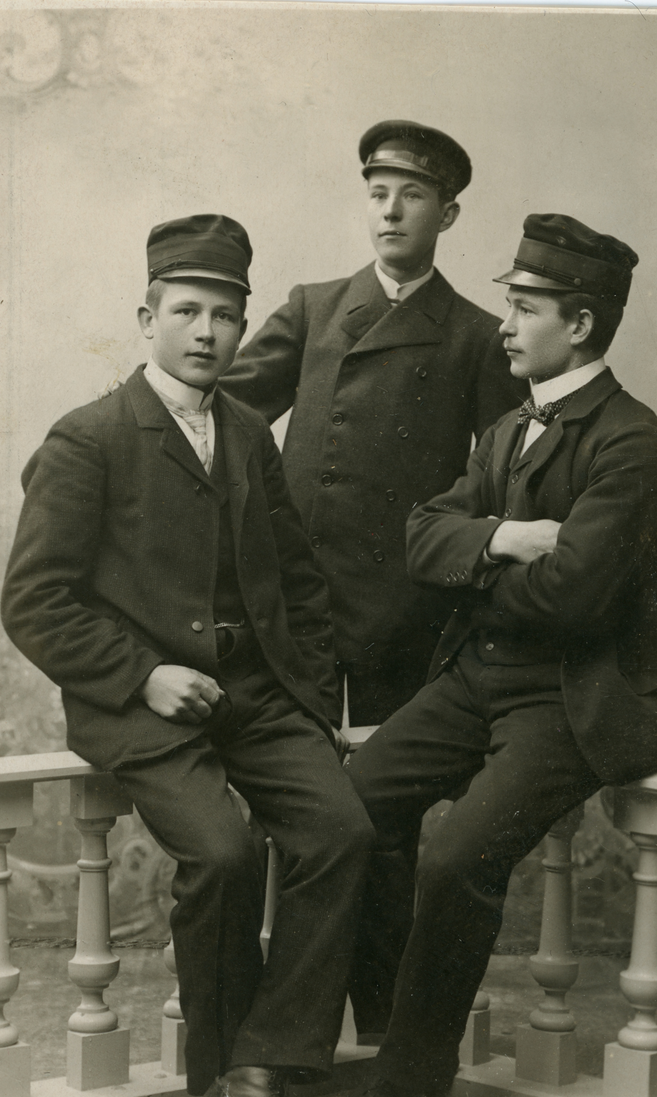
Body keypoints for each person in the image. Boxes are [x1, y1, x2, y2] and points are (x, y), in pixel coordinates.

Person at [0, 214, 374, 1097]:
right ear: (147, 318)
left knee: (340, 831)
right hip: (141, 703)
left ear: (244, 325)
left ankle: (258, 1070)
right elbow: (34, 602)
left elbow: (297, 580)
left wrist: (310, 700)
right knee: (223, 852)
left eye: (225, 315)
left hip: (255, 693)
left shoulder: (246, 432)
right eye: (187, 311)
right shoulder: (87, 438)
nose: (207, 332)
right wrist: (142, 675)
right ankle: (227, 1083)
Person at [313, 213, 657, 1097]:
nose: (504, 326)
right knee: (344, 810)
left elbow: (573, 601)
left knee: (455, 858)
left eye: (525, 308)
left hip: (572, 696)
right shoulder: (506, 429)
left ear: (581, 325)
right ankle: (331, 1039)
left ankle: (408, 1091)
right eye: (508, 304)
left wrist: (470, 562)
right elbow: (418, 538)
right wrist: (507, 539)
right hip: (474, 677)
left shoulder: (632, 445)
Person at [220, 120, 520, 728]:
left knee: (388, 767)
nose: (391, 211)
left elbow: (502, 475)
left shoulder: (479, 336)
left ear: (448, 215)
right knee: (289, 753)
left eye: (412, 196)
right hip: (300, 584)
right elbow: (227, 408)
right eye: (378, 194)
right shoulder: (315, 308)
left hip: (407, 600)